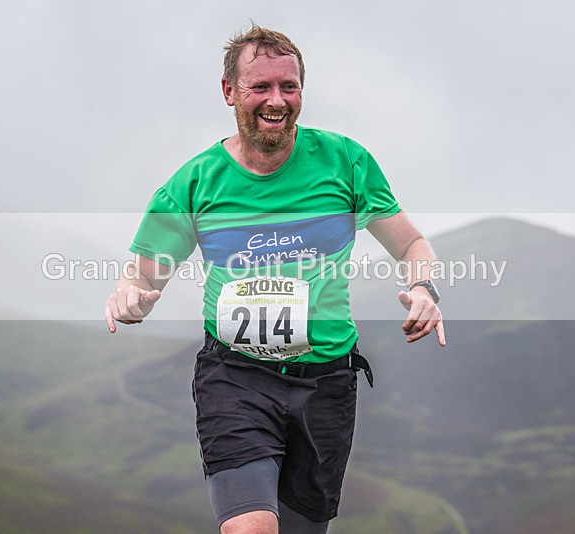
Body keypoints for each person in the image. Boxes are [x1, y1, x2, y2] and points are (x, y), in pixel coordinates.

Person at [105, 24, 445, 534]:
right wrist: (130, 297)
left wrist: (424, 288)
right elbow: (143, 275)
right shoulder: (195, 182)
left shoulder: (345, 162)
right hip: (235, 377)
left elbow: (412, 245)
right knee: (252, 528)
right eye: (260, 86)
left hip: (327, 383)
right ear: (229, 92)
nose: (277, 100)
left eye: (289, 86)